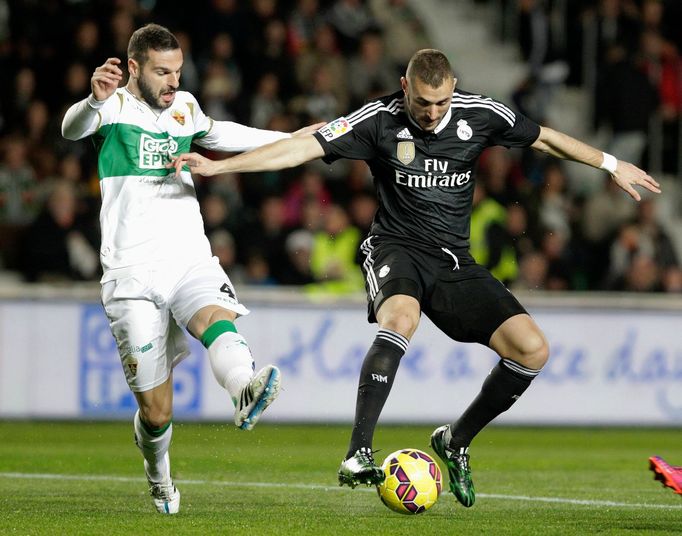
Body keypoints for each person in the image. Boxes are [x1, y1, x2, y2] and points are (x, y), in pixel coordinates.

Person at [170, 49, 661, 508]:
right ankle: (358, 452)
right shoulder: (377, 120)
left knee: (532, 350)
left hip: (453, 262)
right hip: (395, 249)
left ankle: (455, 440)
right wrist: (222, 167)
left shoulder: (480, 114)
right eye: (423, 102)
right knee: (401, 319)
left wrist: (611, 164)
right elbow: (299, 148)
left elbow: (547, 138)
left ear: (455, 89)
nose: (431, 112)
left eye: (442, 101)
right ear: (404, 87)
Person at [61, 23, 318, 515]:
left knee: (214, 314)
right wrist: (92, 100)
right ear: (134, 68)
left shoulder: (185, 107)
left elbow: (226, 134)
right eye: (161, 73)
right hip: (132, 274)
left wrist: (295, 138)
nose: (172, 82)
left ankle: (244, 385)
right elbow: (72, 128)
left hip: (188, 258)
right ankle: (158, 476)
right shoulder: (112, 107)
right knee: (156, 412)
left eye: (177, 71)